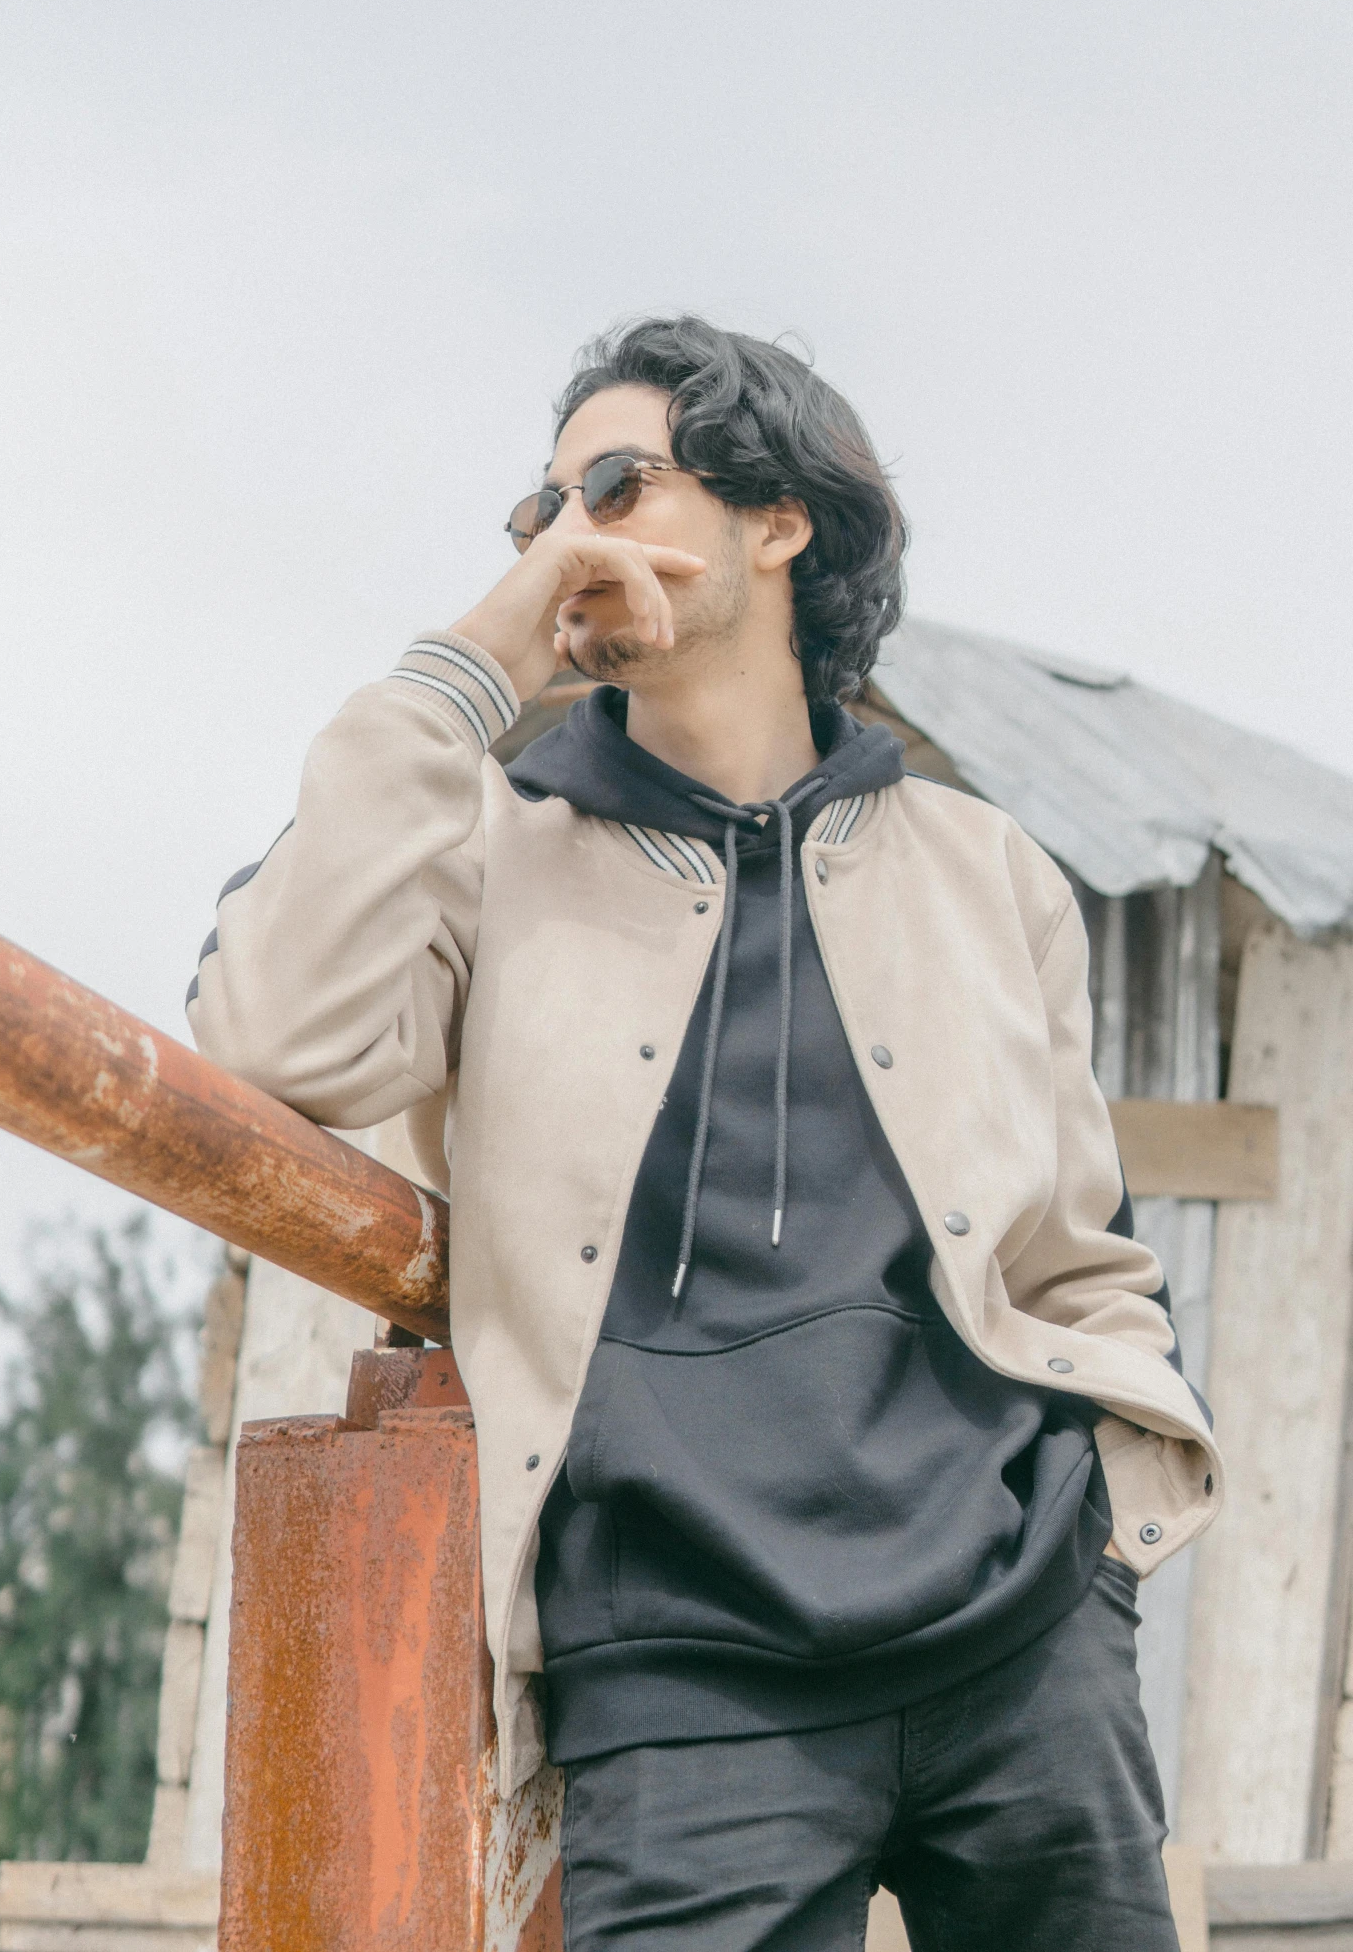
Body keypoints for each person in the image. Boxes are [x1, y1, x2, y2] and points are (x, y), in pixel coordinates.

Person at [188, 315, 1220, 1952]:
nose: (567, 537)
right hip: (679, 1676)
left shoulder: (988, 869)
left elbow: (1066, 1250)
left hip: (1019, 1637)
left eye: (614, 482)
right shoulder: (486, 849)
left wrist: (1100, 1543)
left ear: (777, 517)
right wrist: (470, 672)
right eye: (537, 515)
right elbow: (270, 1037)